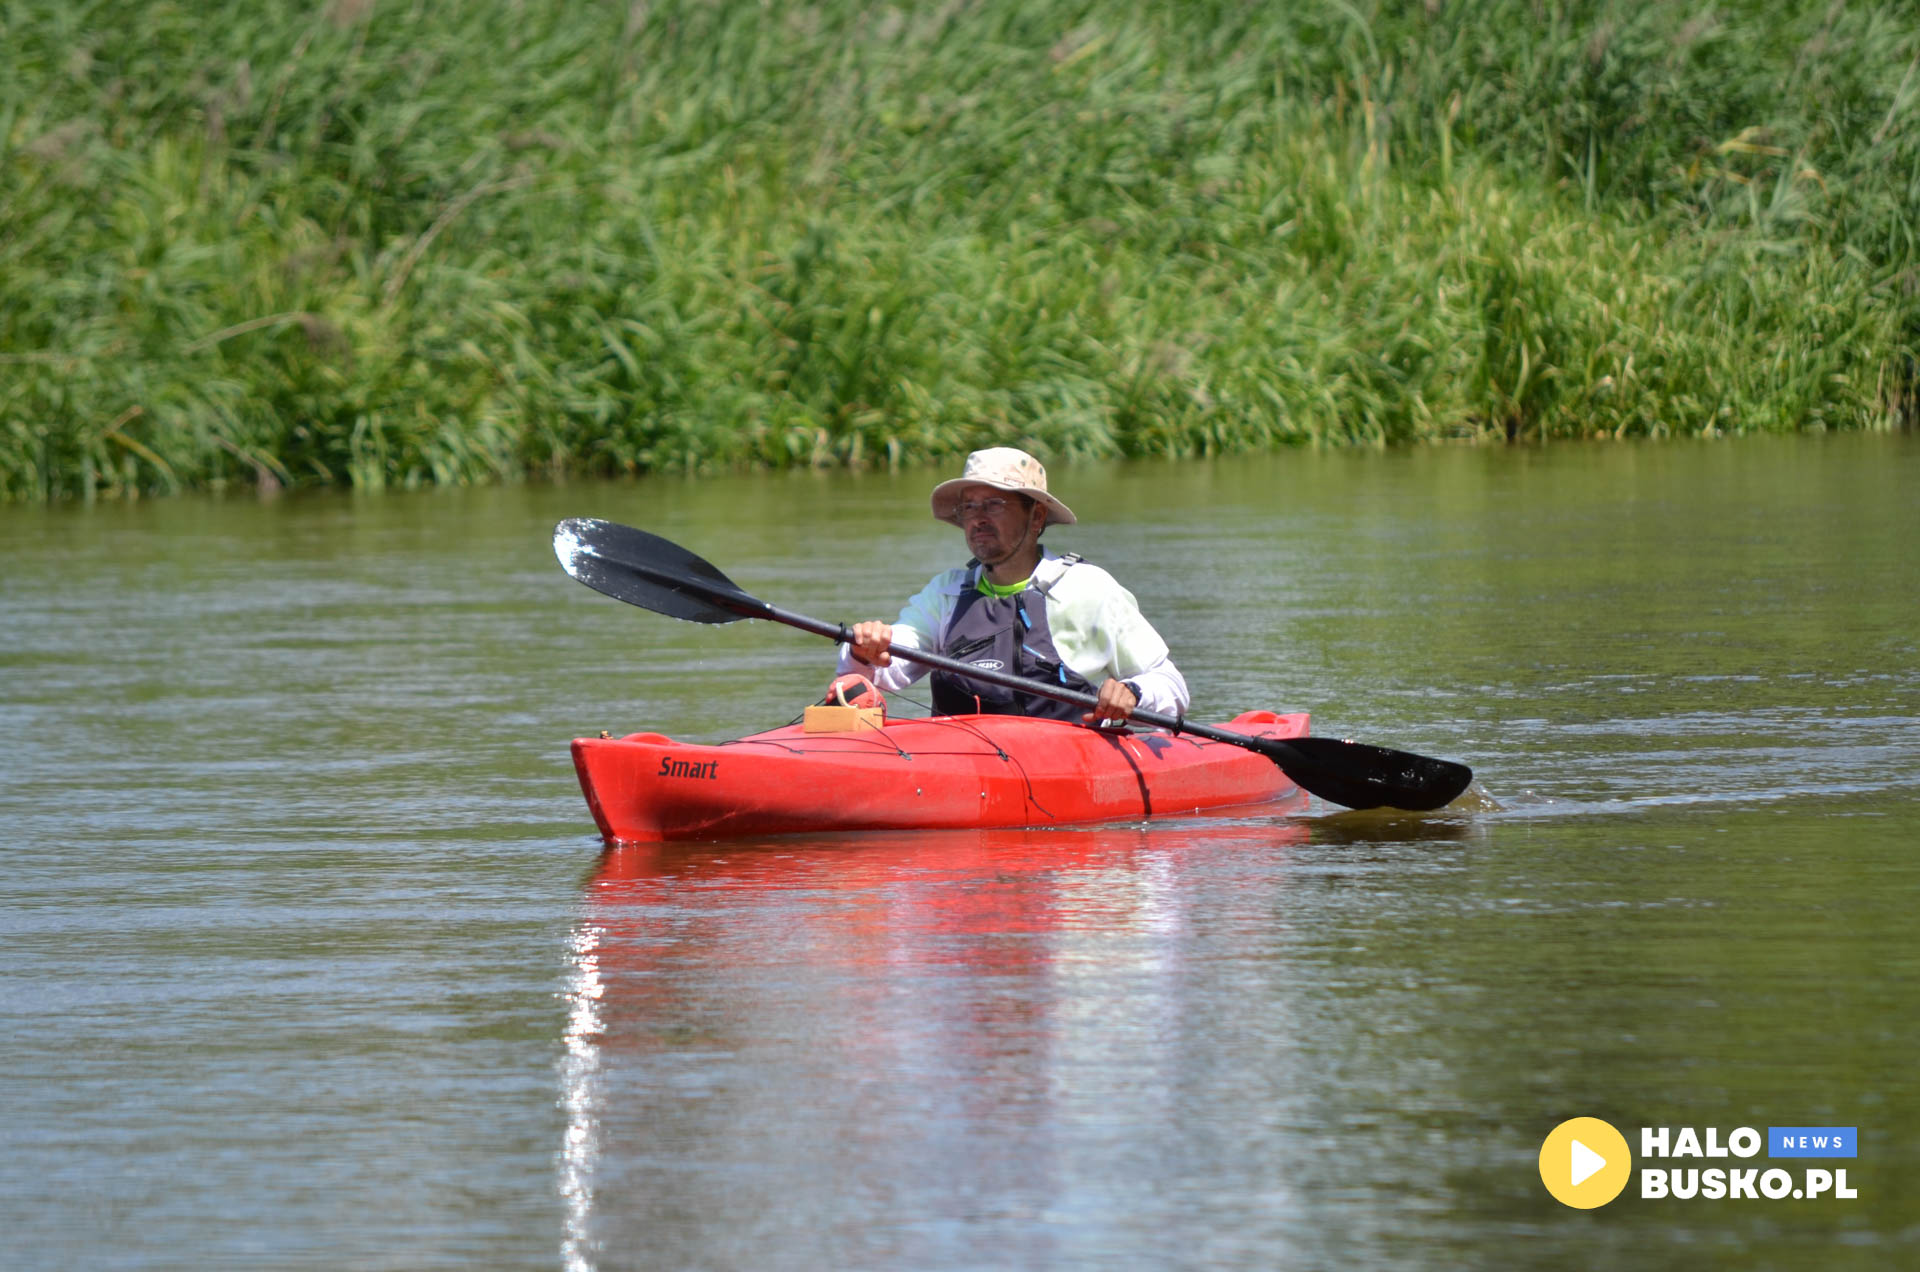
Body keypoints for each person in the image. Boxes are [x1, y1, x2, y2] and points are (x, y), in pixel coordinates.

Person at [832, 446, 1189, 725]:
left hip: (1066, 768)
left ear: (1036, 516)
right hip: (960, 765)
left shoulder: (1088, 590)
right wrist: (865, 651)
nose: (978, 518)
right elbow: (889, 667)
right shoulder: (946, 594)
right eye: (969, 507)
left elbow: (1171, 686)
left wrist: (1132, 692)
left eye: (994, 504)